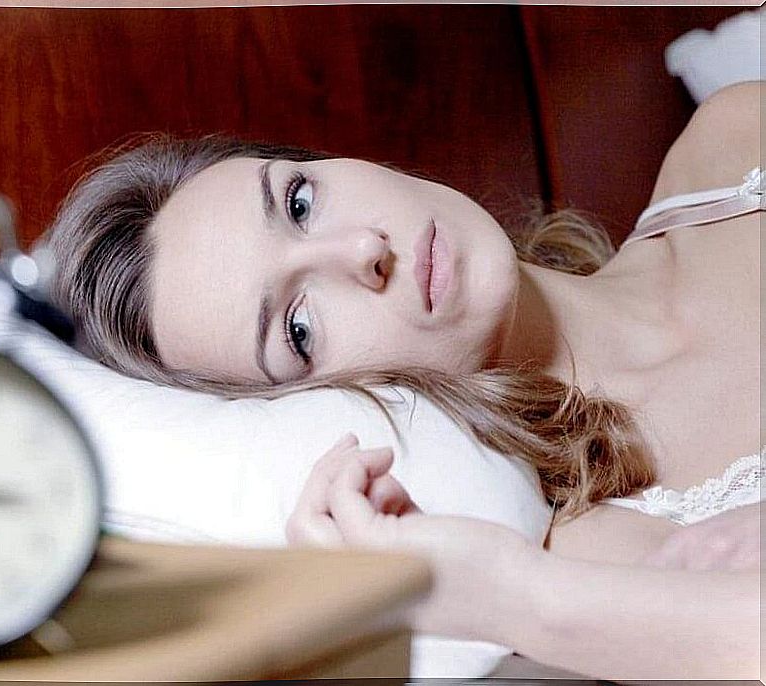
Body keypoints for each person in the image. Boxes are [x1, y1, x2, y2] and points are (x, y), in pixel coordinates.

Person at [47, 81, 762, 679]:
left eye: (299, 202)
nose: (362, 250)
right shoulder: (610, 544)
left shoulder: (732, 142)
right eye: (299, 328)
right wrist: (512, 599)